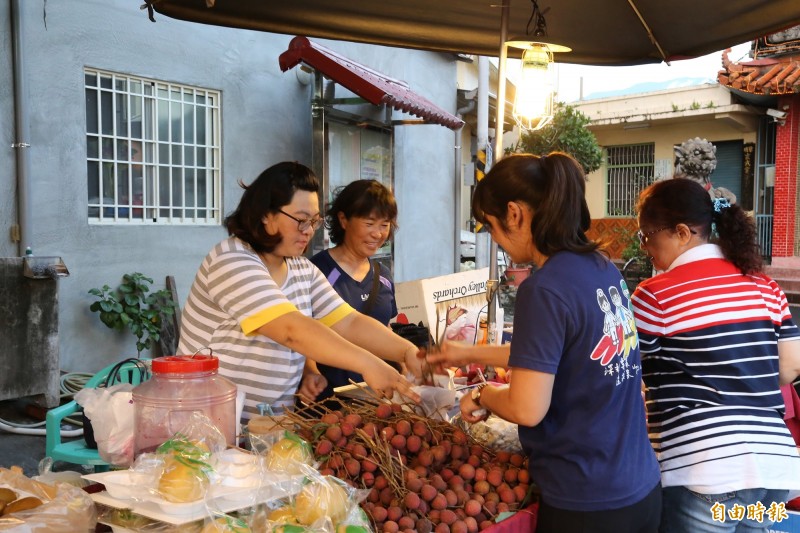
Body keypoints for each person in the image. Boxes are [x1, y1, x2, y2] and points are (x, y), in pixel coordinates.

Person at [429, 152, 661, 533]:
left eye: (492, 226)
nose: (496, 241)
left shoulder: (544, 288)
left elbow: (527, 406)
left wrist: (483, 395)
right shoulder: (602, 268)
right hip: (641, 487)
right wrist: (466, 351)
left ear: (515, 213)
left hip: (587, 503)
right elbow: (560, 355)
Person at [177, 162, 421, 421]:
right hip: (205, 425)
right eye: (301, 220)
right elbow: (291, 330)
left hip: (268, 426)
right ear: (266, 215)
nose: (309, 231)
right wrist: (369, 364)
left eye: (314, 221)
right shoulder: (232, 259)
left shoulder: (301, 268)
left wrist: (407, 351)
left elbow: (348, 321)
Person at [632, 177, 800, 533]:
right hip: (772, 470)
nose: (645, 247)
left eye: (646, 235)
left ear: (681, 232)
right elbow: (790, 368)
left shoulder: (654, 295)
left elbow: (627, 374)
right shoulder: (764, 286)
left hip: (702, 470)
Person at [303, 179, 400, 403]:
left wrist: (406, 367)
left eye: (384, 225)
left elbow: (384, 328)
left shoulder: (383, 275)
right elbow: (302, 330)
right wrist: (310, 373)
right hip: (328, 402)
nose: (378, 234)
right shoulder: (317, 271)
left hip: (376, 402)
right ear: (344, 220)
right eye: (369, 223)